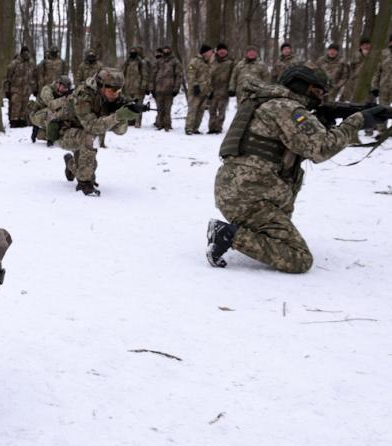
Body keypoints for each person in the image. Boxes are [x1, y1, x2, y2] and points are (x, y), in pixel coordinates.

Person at [207, 65, 384, 273]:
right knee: (299, 258)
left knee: (280, 236)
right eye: (318, 92)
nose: (320, 99)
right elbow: (320, 148)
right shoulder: (286, 108)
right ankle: (227, 235)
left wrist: (322, 123)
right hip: (251, 197)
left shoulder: (266, 103)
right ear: (302, 86)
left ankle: (238, 232)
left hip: (240, 193)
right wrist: (357, 121)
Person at [50, 67, 144, 196]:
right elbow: (91, 126)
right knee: (88, 147)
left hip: (83, 130)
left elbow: (120, 131)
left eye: (119, 90)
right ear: (101, 86)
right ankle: (84, 183)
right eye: (113, 90)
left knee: (90, 167)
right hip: (64, 131)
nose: (116, 93)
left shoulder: (110, 95)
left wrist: (126, 115)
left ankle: (70, 164)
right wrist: (117, 116)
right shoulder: (83, 95)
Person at [29, 75, 72, 144]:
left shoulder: (61, 92)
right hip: (36, 115)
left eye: (67, 89)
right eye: (64, 88)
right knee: (51, 112)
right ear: (58, 84)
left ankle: (39, 133)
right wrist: (65, 98)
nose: (65, 90)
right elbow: (52, 105)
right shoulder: (46, 90)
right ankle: (50, 139)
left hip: (47, 116)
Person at [3, 46, 36, 127]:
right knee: (15, 106)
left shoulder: (31, 63)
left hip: (27, 89)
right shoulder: (14, 63)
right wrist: (7, 90)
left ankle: (22, 120)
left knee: (24, 105)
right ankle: (14, 121)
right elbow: (8, 77)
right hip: (16, 88)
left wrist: (34, 87)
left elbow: (34, 75)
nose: (26, 54)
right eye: (24, 53)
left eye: (27, 53)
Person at [153, 45, 182, 131]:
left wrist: (176, 88)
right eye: (164, 49)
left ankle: (167, 125)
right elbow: (153, 75)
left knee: (167, 109)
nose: (166, 51)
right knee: (159, 109)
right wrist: (151, 88)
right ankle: (159, 124)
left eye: (167, 49)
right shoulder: (159, 61)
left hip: (169, 90)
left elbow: (178, 76)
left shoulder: (175, 61)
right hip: (158, 89)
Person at [207, 43, 234, 134]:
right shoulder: (211, 61)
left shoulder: (231, 62)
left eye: (224, 50)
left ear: (226, 51)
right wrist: (208, 89)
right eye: (220, 50)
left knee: (221, 111)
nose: (222, 51)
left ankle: (219, 127)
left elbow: (233, 76)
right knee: (212, 110)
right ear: (217, 51)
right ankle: (211, 127)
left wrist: (231, 88)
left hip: (224, 90)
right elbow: (207, 76)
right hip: (213, 90)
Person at [121, 46, 150, 128]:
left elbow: (145, 75)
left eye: (134, 51)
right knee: (128, 105)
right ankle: (130, 121)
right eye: (131, 51)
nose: (132, 53)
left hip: (138, 88)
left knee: (139, 105)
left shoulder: (141, 62)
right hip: (127, 88)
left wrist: (143, 86)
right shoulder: (127, 62)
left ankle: (137, 122)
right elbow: (122, 73)